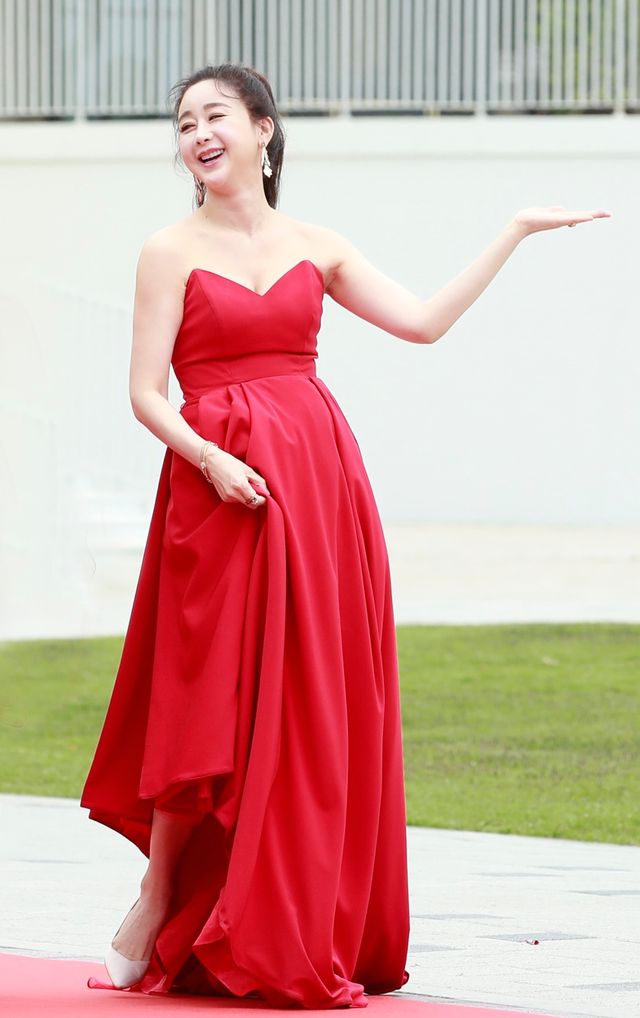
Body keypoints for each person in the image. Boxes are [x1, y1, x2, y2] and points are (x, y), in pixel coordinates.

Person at [80, 62, 610, 1010]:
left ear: (264, 129)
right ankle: (157, 894)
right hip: (216, 486)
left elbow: (424, 324)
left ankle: (287, 915)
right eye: (185, 123)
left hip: (316, 484)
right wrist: (210, 458)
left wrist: (514, 232)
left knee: (306, 700)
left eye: (215, 116)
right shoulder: (167, 249)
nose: (198, 134)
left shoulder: (318, 245)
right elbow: (145, 393)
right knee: (204, 696)